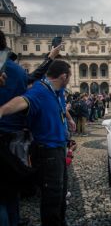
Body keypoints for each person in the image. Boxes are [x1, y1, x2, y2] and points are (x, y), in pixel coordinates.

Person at [0, 29, 61, 226]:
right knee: (11, 188)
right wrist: (49, 58)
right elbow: (33, 77)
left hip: (7, 134)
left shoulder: (11, 70)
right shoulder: (16, 70)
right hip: (15, 136)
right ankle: (14, 220)